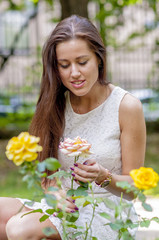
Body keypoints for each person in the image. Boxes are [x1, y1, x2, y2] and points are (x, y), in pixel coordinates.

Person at [0, 15, 146, 240]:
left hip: (107, 213)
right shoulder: (54, 104)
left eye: (82, 62)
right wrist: (53, 193)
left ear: (98, 58)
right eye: (64, 65)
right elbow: (46, 173)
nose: (74, 73)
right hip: (65, 208)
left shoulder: (126, 106)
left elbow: (135, 189)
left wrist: (103, 176)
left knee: (20, 228)